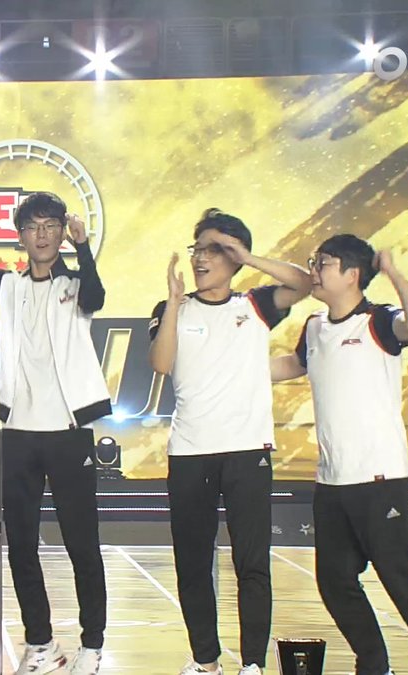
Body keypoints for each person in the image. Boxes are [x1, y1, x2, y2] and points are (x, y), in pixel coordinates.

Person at [0, 190, 111, 674]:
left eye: (51, 225)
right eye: (33, 226)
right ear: (20, 236)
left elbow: (97, 297)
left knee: (82, 545)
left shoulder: (76, 284)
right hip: (18, 432)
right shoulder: (8, 287)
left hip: (68, 432)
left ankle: (92, 645)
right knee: (21, 546)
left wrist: (84, 247)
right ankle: (41, 645)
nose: (43, 234)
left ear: (62, 232)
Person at [271, 235, 408, 675]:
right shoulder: (315, 327)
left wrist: (391, 270)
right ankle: (373, 664)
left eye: (323, 263)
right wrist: (232, 369)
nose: (314, 271)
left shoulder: (378, 322)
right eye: (314, 262)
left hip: (380, 479)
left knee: (401, 581)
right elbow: (293, 365)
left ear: (352, 274)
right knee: (334, 581)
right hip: (332, 482)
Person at [148, 208, 311, 675]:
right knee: (193, 563)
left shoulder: (255, 305)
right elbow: (161, 364)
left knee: (252, 563)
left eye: (215, 250)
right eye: (197, 249)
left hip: (247, 451)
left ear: (234, 257)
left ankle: (253, 664)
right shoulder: (171, 309)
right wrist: (174, 302)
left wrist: (250, 258)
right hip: (190, 452)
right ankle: (206, 661)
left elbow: (303, 284)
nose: (201, 259)